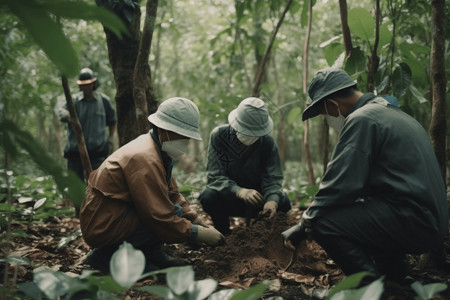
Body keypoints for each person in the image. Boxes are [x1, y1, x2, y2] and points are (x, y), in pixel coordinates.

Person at [282, 68, 448, 282]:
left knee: (323, 223)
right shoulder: (392, 112)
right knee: (367, 209)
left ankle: (371, 289)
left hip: (415, 220)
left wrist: (305, 223)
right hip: (428, 220)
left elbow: (340, 185)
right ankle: (395, 277)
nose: (327, 119)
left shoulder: (362, 119)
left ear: (333, 104)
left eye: (324, 113)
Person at [80, 97, 225, 273]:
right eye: (182, 135)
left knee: (175, 210)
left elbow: (172, 193)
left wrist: (196, 219)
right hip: (103, 225)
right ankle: (106, 256)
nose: (186, 141)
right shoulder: (145, 157)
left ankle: (149, 253)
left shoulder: (157, 149)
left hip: (117, 215)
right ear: (165, 130)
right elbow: (158, 216)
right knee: (167, 213)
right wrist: (196, 234)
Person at [199, 97, 291, 235]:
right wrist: (239, 191)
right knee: (208, 196)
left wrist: (272, 200)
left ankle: (262, 234)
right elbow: (215, 177)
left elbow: (273, 179)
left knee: (283, 202)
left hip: (258, 201)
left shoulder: (267, 143)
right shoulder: (219, 136)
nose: (249, 136)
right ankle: (223, 234)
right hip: (229, 198)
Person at [56, 68, 117, 181]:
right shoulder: (73, 100)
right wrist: (69, 116)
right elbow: (61, 112)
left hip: (97, 152)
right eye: (83, 85)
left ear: (93, 84)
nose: (86, 87)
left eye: (88, 84)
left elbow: (112, 121)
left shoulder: (104, 101)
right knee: (75, 184)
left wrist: (111, 139)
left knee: (98, 183)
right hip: (75, 151)